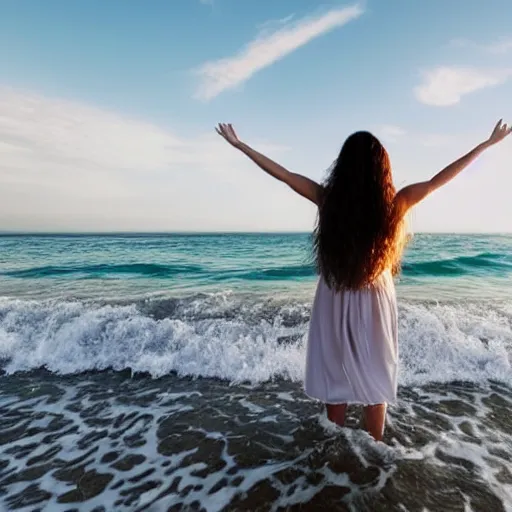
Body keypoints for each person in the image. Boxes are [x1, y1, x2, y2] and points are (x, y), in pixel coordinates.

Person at [216, 120, 511, 441]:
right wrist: (486, 145)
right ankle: (375, 447)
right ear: (382, 168)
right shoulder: (396, 204)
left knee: (335, 368)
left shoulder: (328, 199)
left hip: (335, 291)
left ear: (342, 167)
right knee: (376, 370)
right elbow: (440, 179)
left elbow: (284, 175)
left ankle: (334, 444)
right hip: (375, 297)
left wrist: (242, 146)